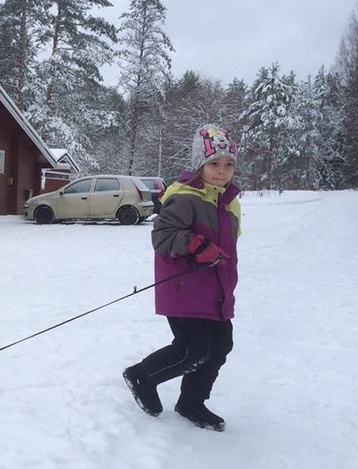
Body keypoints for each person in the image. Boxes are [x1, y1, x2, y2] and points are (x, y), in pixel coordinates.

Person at [123, 123, 241, 432]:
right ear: (200, 165)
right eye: (214, 163)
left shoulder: (229, 203)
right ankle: (142, 376)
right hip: (184, 288)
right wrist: (194, 245)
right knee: (193, 350)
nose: (222, 170)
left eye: (229, 164)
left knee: (220, 346)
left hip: (215, 292)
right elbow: (163, 235)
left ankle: (191, 402)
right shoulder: (186, 197)